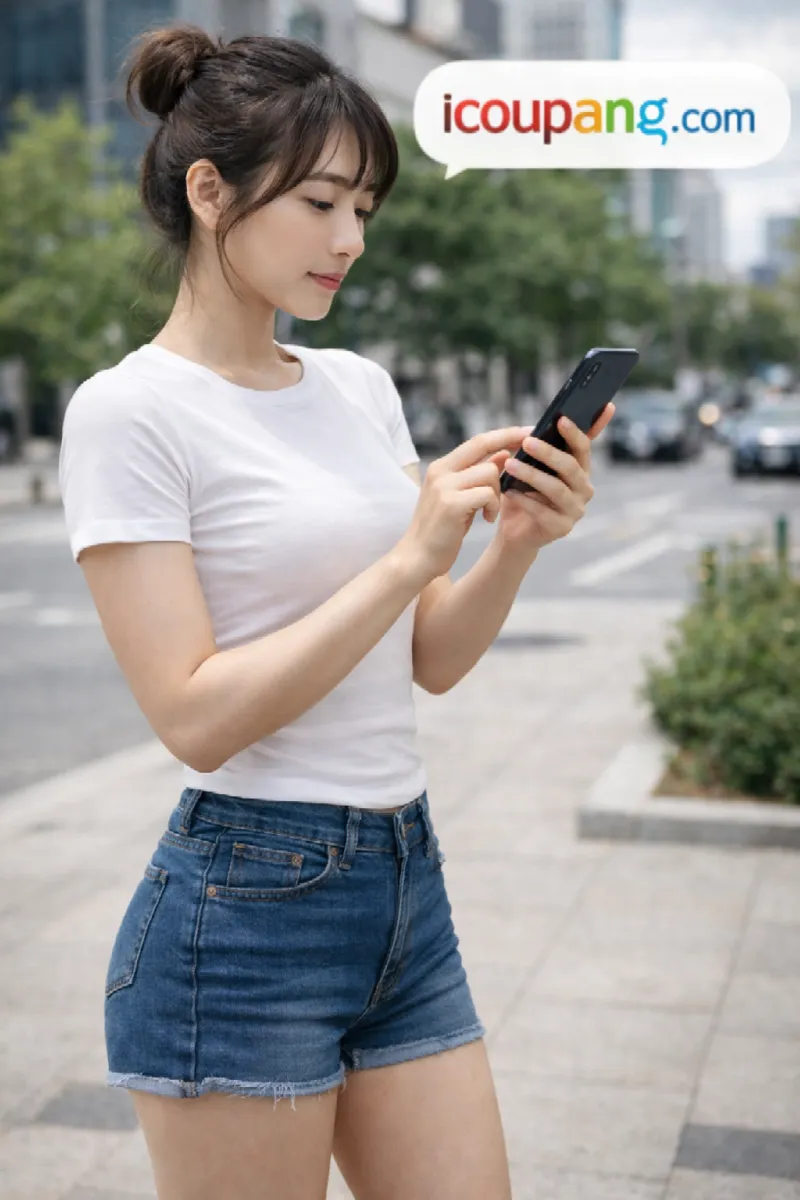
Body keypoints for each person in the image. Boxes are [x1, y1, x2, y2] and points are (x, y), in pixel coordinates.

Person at [58, 24, 612, 1200]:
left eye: (363, 205)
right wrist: (412, 553)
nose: (350, 238)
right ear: (209, 191)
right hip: (245, 909)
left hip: (403, 884)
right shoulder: (128, 413)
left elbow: (427, 662)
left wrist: (506, 546)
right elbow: (196, 718)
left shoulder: (356, 387)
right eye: (320, 202)